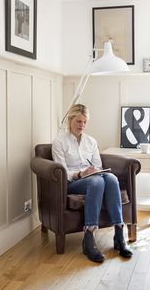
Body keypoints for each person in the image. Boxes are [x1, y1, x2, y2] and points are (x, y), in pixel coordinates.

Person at [52, 104, 133, 263]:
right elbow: (62, 170)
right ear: (70, 120)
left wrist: (95, 170)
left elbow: (98, 165)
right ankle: (88, 239)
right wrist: (81, 173)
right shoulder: (59, 142)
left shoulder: (91, 141)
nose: (81, 125)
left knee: (111, 179)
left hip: (93, 177)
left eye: (84, 122)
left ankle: (118, 234)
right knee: (96, 182)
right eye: (78, 121)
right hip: (72, 182)